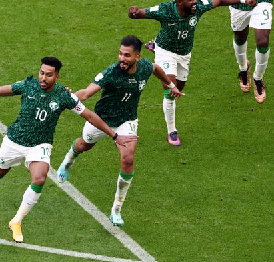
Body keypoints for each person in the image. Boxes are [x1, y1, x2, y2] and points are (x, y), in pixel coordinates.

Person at [0, 57, 136, 243]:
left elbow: (89, 116)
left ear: (57, 76)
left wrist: (114, 136)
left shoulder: (64, 96)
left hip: (40, 145)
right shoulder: (28, 85)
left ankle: (16, 221)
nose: (43, 78)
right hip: (15, 140)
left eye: (49, 75)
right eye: (42, 73)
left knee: (40, 178)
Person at [56, 35, 183, 227]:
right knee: (83, 145)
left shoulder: (145, 67)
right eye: (120, 54)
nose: (122, 59)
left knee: (128, 158)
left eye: (127, 55)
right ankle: (69, 159)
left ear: (137, 57)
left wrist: (171, 85)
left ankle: (116, 208)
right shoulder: (111, 73)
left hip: (127, 120)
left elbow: (157, 69)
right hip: (102, 120)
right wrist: (68, 97)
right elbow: (87, 93)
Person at [127, 0, 256, 145]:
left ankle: (153, 47)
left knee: (179, 87)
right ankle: (172, 131)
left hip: (184, 54)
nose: (195, 1)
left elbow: (220, 0)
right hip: (166, 51)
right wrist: (133, 12)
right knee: (171, 89)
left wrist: (244, 0)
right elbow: (139, 13)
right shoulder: (166, 10)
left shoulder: (199, 7)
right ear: (179, 2)